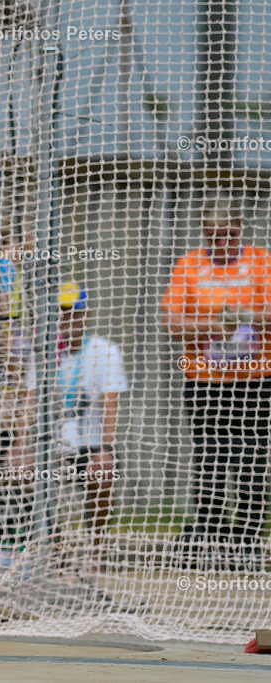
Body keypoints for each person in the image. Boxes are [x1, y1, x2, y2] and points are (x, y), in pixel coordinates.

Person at [162, 193, 271, 568]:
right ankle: (211, 536)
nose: (220, 243)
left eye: (227, 234)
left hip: (254, 378)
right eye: (212, 236)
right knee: (210, 459)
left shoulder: (261, 262)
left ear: (240, 228)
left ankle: (247, 540)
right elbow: (172, 322)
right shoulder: (189, 265)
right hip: (205, 379)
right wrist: (215, 325)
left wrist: (251, 316)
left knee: (252, 461)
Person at [54, 281, 126, 569]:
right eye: (63, 311)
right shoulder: (48, 352)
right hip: (54, 442)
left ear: (87, 314)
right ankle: (49, 545)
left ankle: (97, 545)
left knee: (103, 472)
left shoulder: (105, 351)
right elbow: (31, 399)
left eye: (75, 311)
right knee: (21, 471)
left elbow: (111, 402)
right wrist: (23, 444)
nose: (69, 318)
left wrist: (106, 449)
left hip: (91, 442)